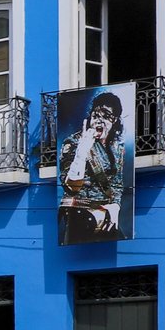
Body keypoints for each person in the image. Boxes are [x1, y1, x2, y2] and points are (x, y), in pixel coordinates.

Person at [58, 92, 126, 242]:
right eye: (95, 116)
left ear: (114, 120)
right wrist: (82, 152)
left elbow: (117, 184)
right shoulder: (73, 142)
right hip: (78, 211)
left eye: (106, 117)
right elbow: (70, 187)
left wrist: (115, 207)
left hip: (104, 212)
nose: (99, 121)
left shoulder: (118, 148)